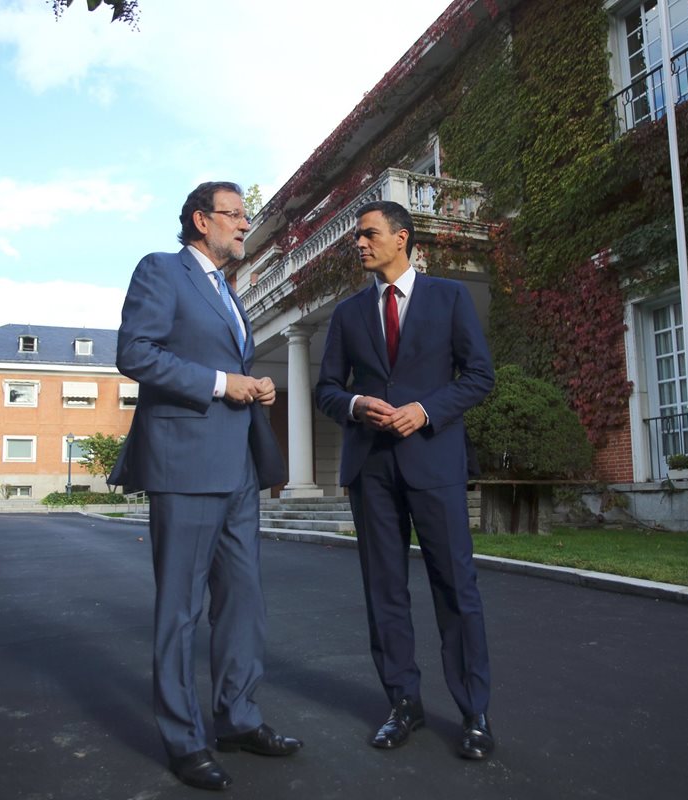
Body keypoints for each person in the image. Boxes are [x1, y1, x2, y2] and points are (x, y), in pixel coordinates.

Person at [111, 181, 301, 791]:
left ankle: (239, 719)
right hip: (184, 465)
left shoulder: (229, 294)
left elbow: (230, 364)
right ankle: (184, 739)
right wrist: (223, 383)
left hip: (238, 469)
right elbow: (135, 353)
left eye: (247, 215)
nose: (246, 225)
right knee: (181, 610)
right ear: (201, 219)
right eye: (236, 215)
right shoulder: (162, 271)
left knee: (243, 601)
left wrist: (254, 385)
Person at [315, 200, 496, 760]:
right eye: (357, 238)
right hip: (371, 469)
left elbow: (480, 376)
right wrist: (353, 403)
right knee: (384, 591)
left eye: (368, 234)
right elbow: (325, 389)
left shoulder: (449, 298)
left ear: (402, 238)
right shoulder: (347, 314)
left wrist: (426, 410)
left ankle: (474, 714)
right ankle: (403, 704)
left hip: (433, 462)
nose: (360, 245)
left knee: (455, 588)